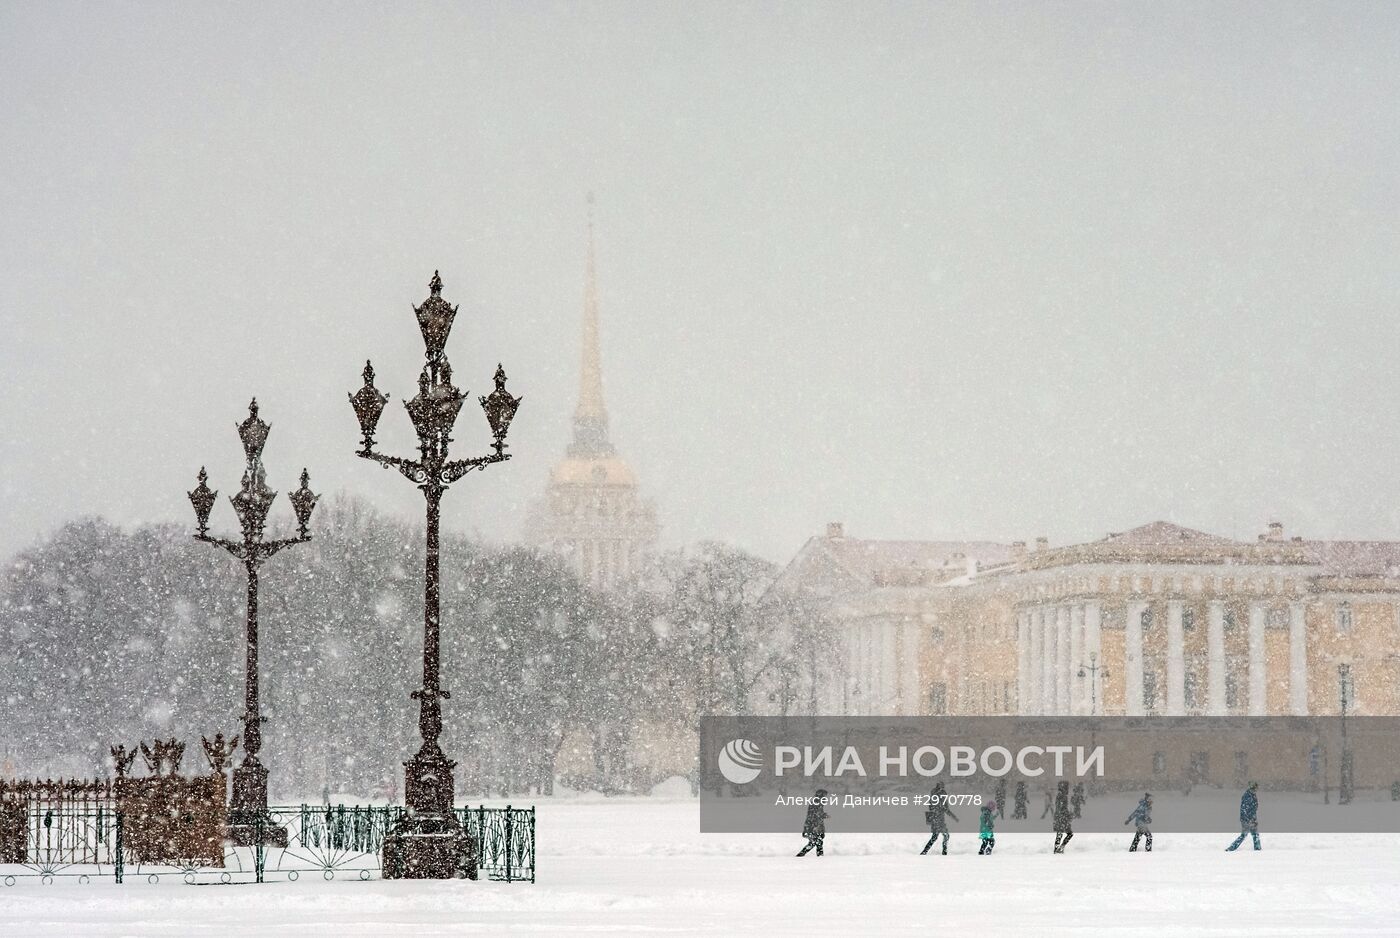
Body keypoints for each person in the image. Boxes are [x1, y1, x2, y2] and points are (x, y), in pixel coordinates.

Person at [920, 782, 959, 855]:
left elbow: (945, 808)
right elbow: (943, 808)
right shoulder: (935, 794)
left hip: (939, 819)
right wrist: (953, 816)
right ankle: (927, 852)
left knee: (942, 836)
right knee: (939, 836)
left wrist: (953, 816)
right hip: (936, 819)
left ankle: (928, 851)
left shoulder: (938, 795)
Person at [1226, 781, 1261, 851]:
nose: (1257, 789)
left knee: (1254, 834)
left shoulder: (1252, 795)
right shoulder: (1248, 796)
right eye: (1256, 788)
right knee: (1245, 835)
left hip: (1250, 819)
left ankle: (1257, 848)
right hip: (1247, 819)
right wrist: (1250, 820)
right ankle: (1232, 848)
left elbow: (1253, 808)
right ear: (1253, 788)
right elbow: (1245, 809)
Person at [797, 789, 829, 857]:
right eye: (824, 796)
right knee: (816, 842)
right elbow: (813, 815)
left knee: (816, 842)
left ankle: (801, 855)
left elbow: (816, 814)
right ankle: (819, 857)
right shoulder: (816, 803)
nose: (825, 798)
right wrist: (815, 826)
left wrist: (823, 815)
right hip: (812, 827)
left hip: (814, 826)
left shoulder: (818, 803)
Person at [1052, 780, 1074, 853]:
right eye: (1067, 787)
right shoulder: (1062, 796)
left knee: (1060, 834)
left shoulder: (1060, 795)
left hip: (1060, 818)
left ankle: (1058, 848)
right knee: (1068, 834)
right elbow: (1061, 808)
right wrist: (1068, 815)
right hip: (1062, 818)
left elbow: (1059, 807)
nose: (1068, 789)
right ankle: (1060, 848)